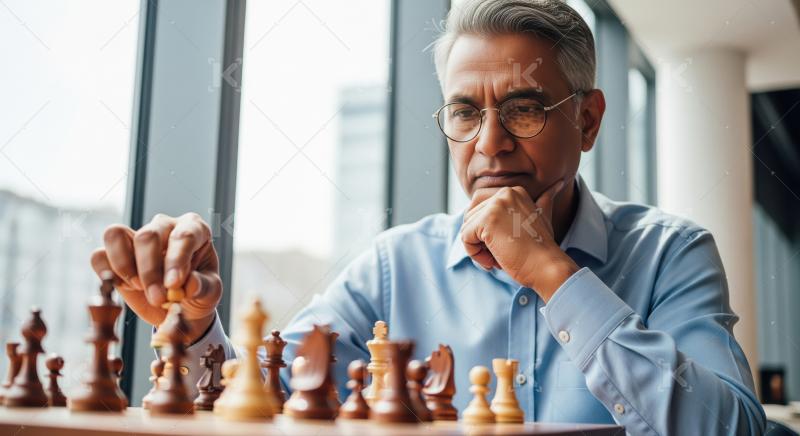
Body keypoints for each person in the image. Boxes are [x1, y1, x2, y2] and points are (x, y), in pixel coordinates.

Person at [92, 0, 765, 433]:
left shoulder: (672, 253)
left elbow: (736, 429)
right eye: (466, 112)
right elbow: (260, 402)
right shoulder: (394, 267)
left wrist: (554, 276)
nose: (490, 143)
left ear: (587, 121)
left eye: (525, 108)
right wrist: (195, 323)